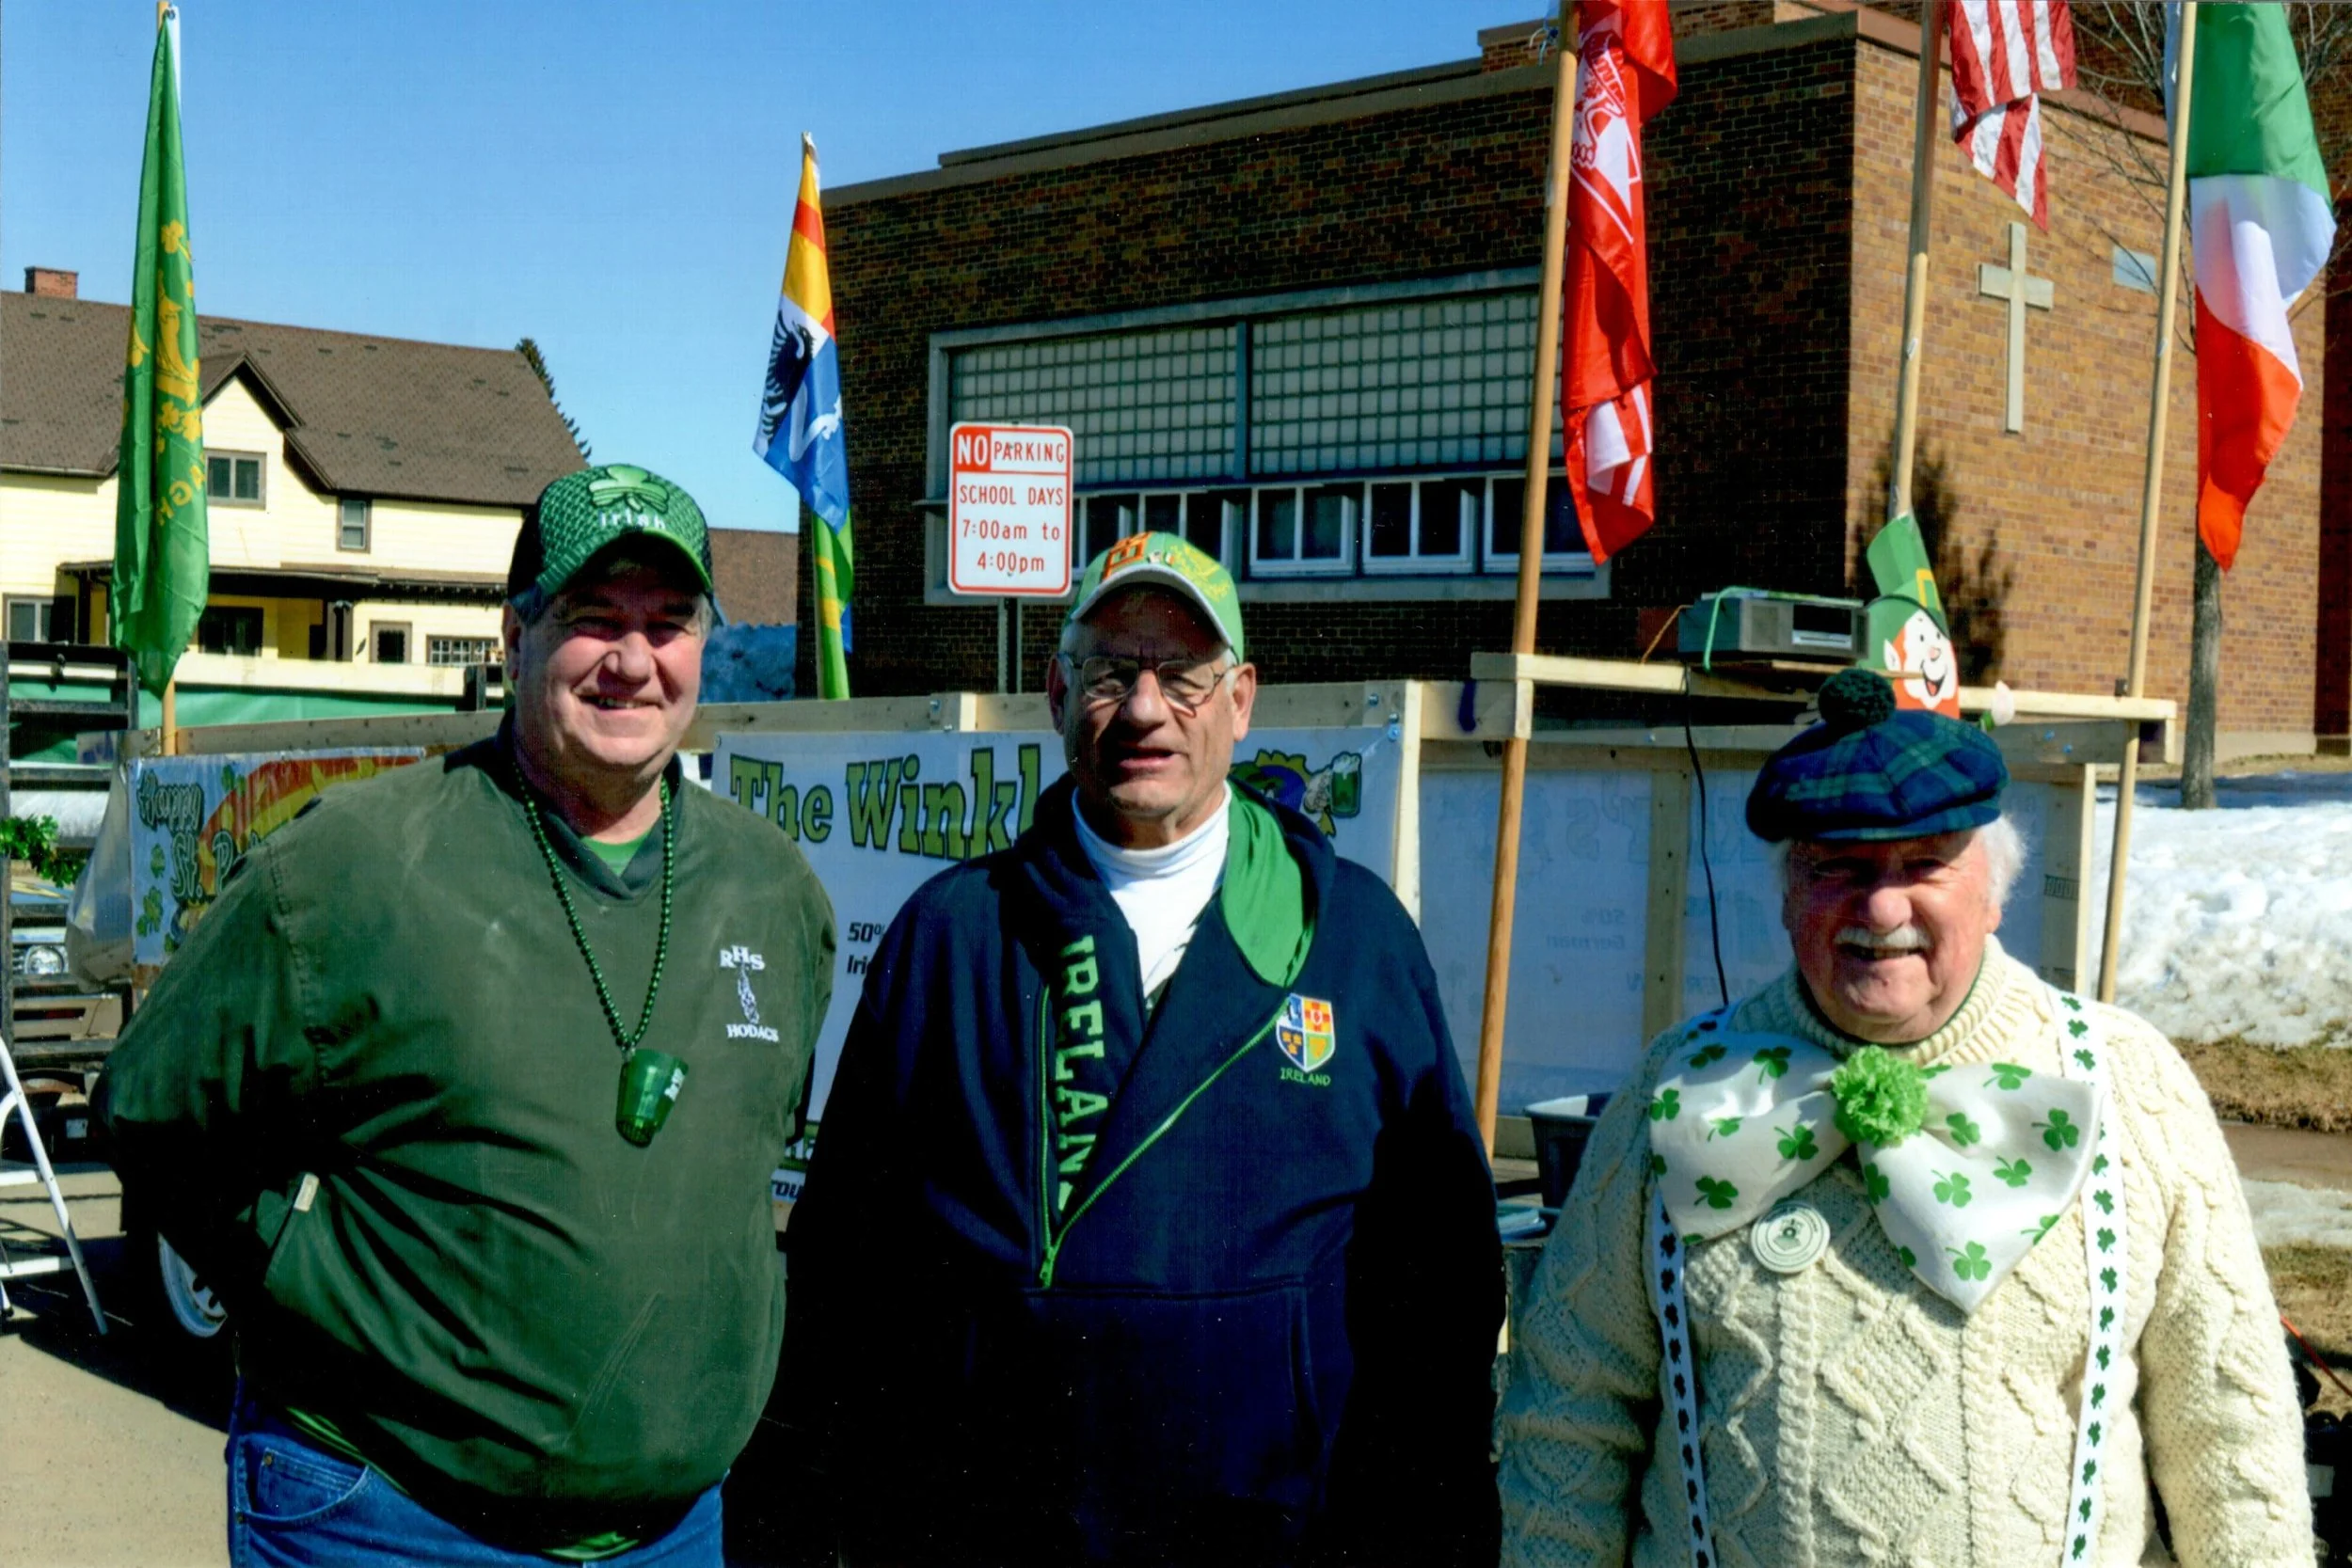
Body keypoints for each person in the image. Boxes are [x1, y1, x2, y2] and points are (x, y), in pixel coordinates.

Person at [97, 463, 835, 1567]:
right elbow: (152, 1109)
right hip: (386, 1514)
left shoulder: (774, 892)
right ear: (514, 633)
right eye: (592, 619)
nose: (632, 661)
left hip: (670, 1533)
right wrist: (315, 1281)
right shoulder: (346, 866)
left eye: (668, 623)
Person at [780, 532, 1501, 1566]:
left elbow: (1439, 1276)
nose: (1148, 709)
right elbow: (848, 1270)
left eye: (1186, 675)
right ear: (1055, 690)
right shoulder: (954, 934)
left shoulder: (1352, 937)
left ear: (1243, 699)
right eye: (1113, 671)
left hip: (1282, 1532)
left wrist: (1429, 1519)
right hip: (995, 1534)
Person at [1497, 668, 2312, 1567]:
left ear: (1995, 889)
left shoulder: (2128, 1085)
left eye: (1924, 864)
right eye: (1836, 866)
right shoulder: (1677, 1094)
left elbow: (2234, 1435)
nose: (1882, 907)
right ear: (1784, 894)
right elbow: (1569, 1419)